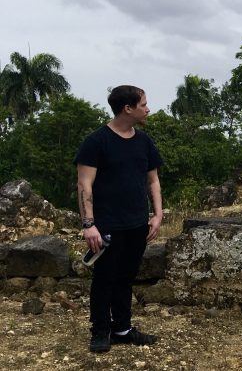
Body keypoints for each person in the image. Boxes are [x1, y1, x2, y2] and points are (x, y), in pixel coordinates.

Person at [75, 85, 164, 353]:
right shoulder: (96, 141)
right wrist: (89, 225)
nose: (148, 108)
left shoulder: (144, 141)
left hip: (137, 224)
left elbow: (153, 181)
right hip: (107, 225)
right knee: (104, 279)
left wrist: (158, 215)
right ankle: (100, 331)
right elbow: (84, 185)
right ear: (128, 108)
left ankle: (123, 328)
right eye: (144, 104)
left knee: (126, 277)